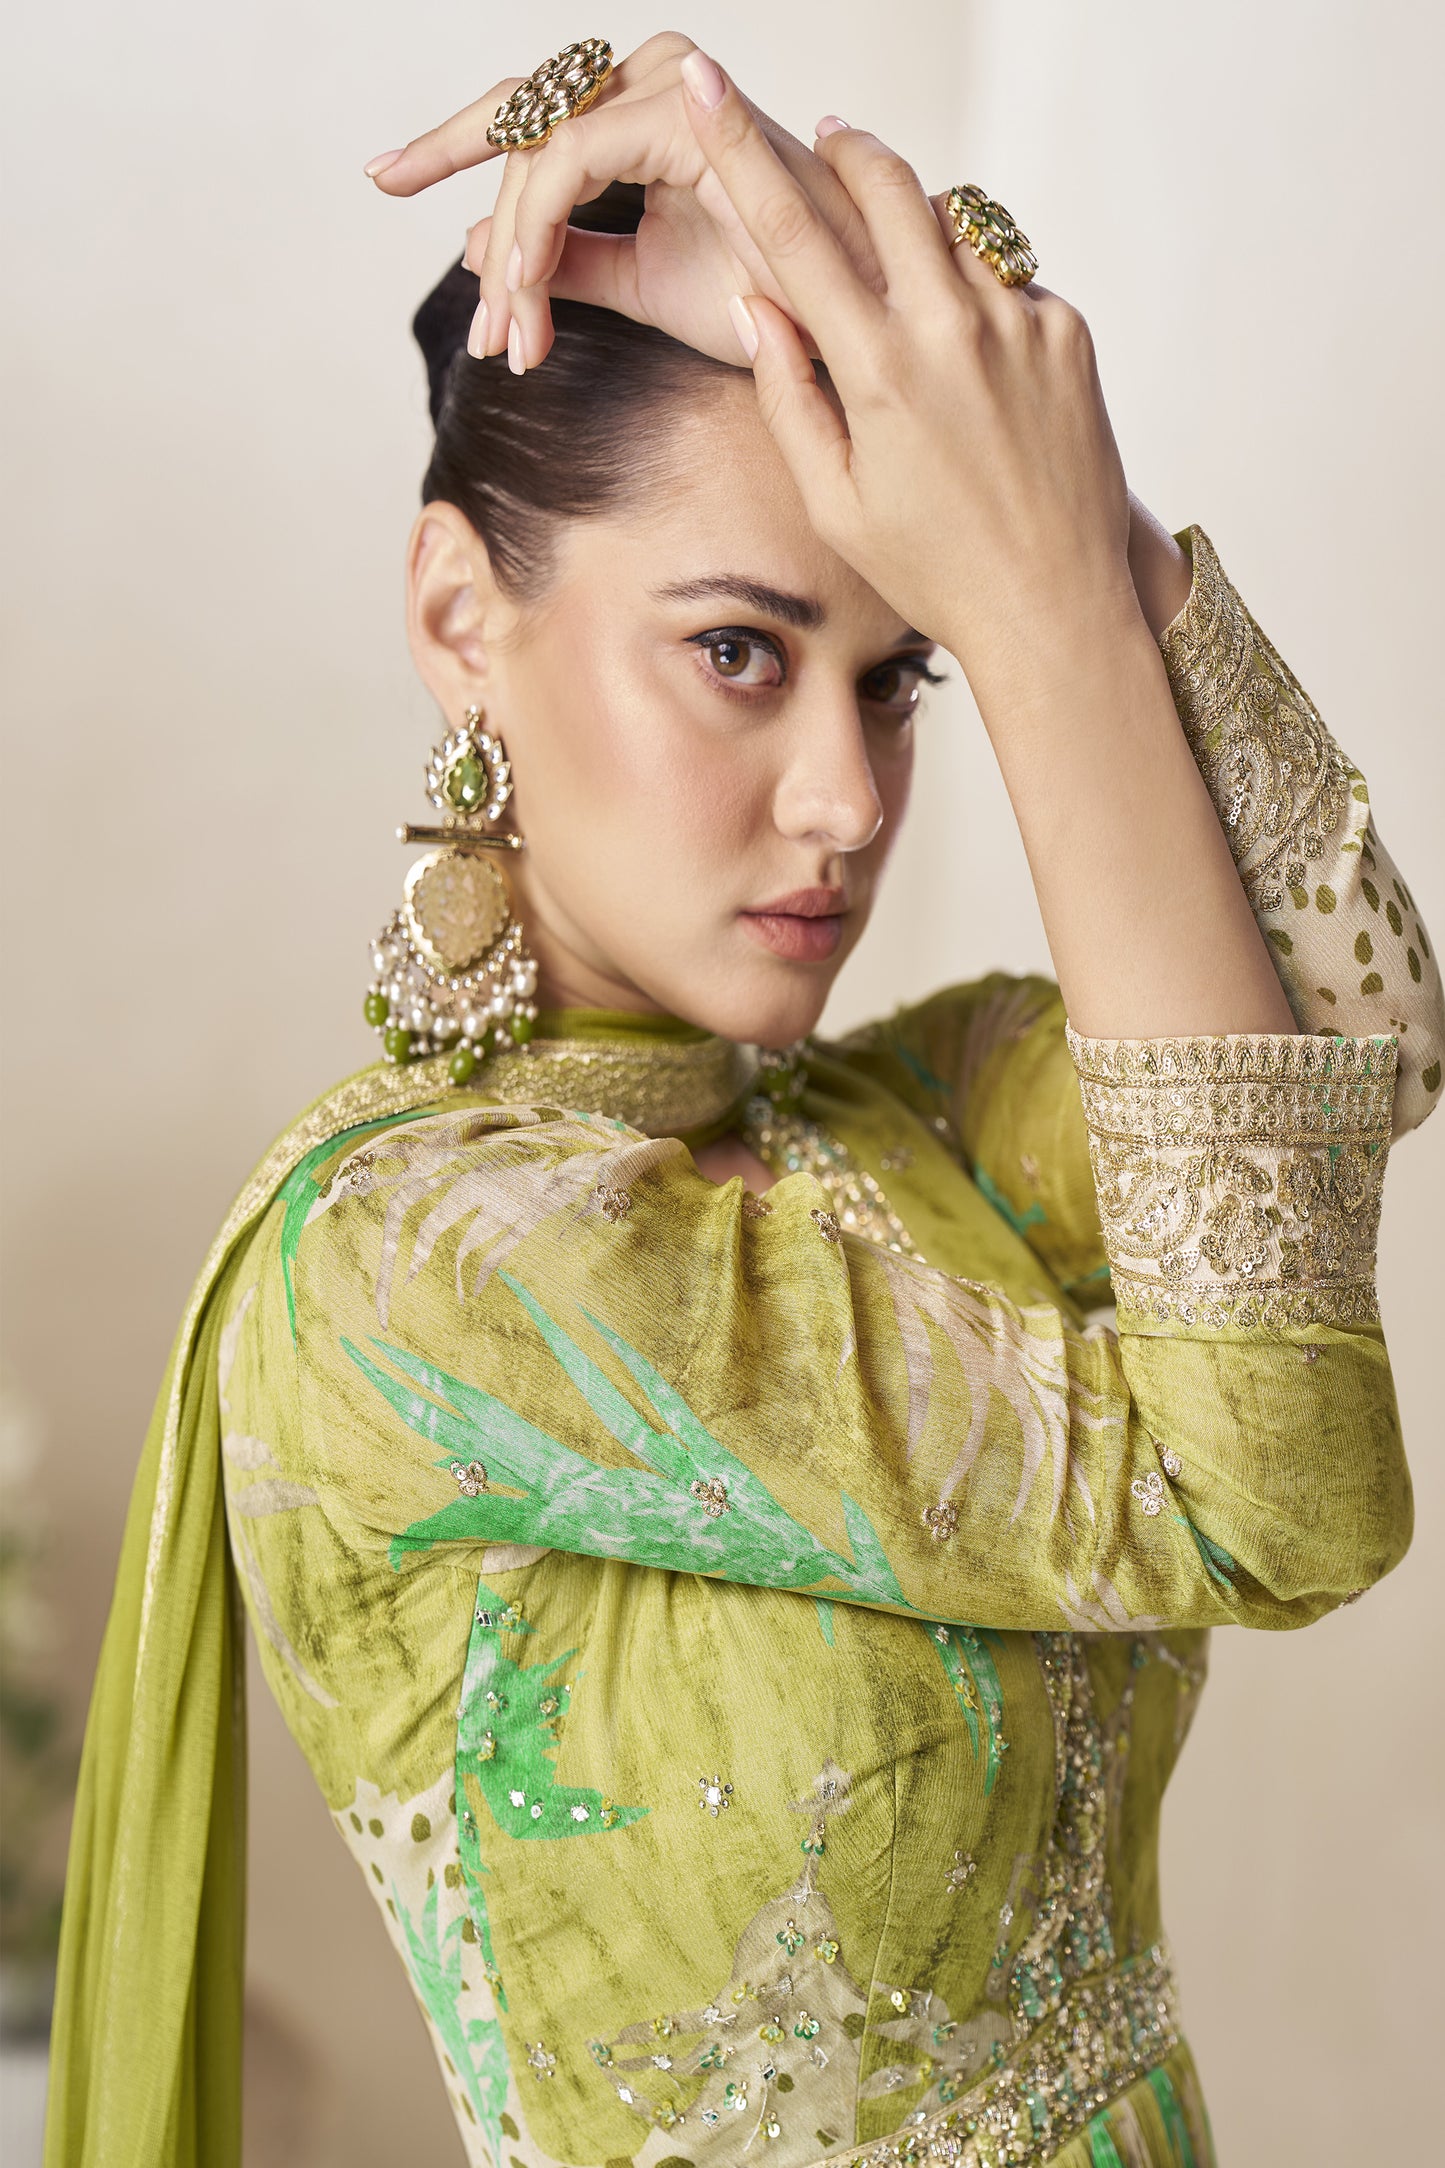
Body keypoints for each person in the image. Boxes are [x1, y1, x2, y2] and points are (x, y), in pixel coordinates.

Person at [45, 33, 1444, 2168]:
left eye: (905, 669)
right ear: (459, 612)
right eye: (736, 649)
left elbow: (1362, 1024)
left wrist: (1064, 503)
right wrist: (1038, 601)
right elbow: (1286, 1489)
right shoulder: (405, 1273)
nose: (848, 796)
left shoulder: (926, 1121)